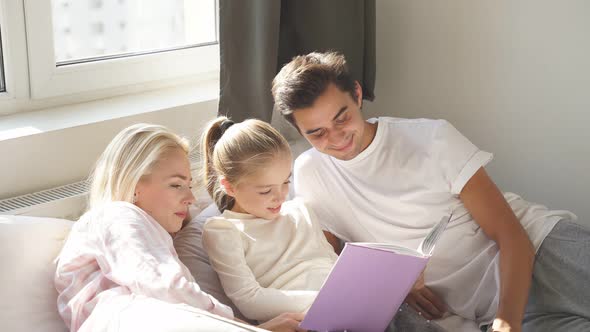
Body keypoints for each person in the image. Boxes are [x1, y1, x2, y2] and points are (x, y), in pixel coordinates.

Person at [271, 51, 590, 332]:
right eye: (317, 133)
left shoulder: (432, 139)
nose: (337, 138)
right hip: (482, 309)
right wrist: (394, 285)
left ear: (356, 94)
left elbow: (511, 235)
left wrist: (507, 323)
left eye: (342, 119)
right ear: (299, 131)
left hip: (544, 253)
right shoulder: (310, 173)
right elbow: (332, 261)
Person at [54, 123, 306, 332]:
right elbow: (166, 287)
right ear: (134, 185)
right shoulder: (117, 215)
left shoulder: (155, 235)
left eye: (189, 185)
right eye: (176, 185)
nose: (191, 198)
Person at [199, 117, 338, 322]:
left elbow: (333, 265)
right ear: (229, 187)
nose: (281, 196)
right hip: (306, 318)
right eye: (265, 191)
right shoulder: (224, 230)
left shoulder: (300, 209)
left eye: (286, 182)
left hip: (346, 306)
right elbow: (250, 301)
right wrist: (326, 300)